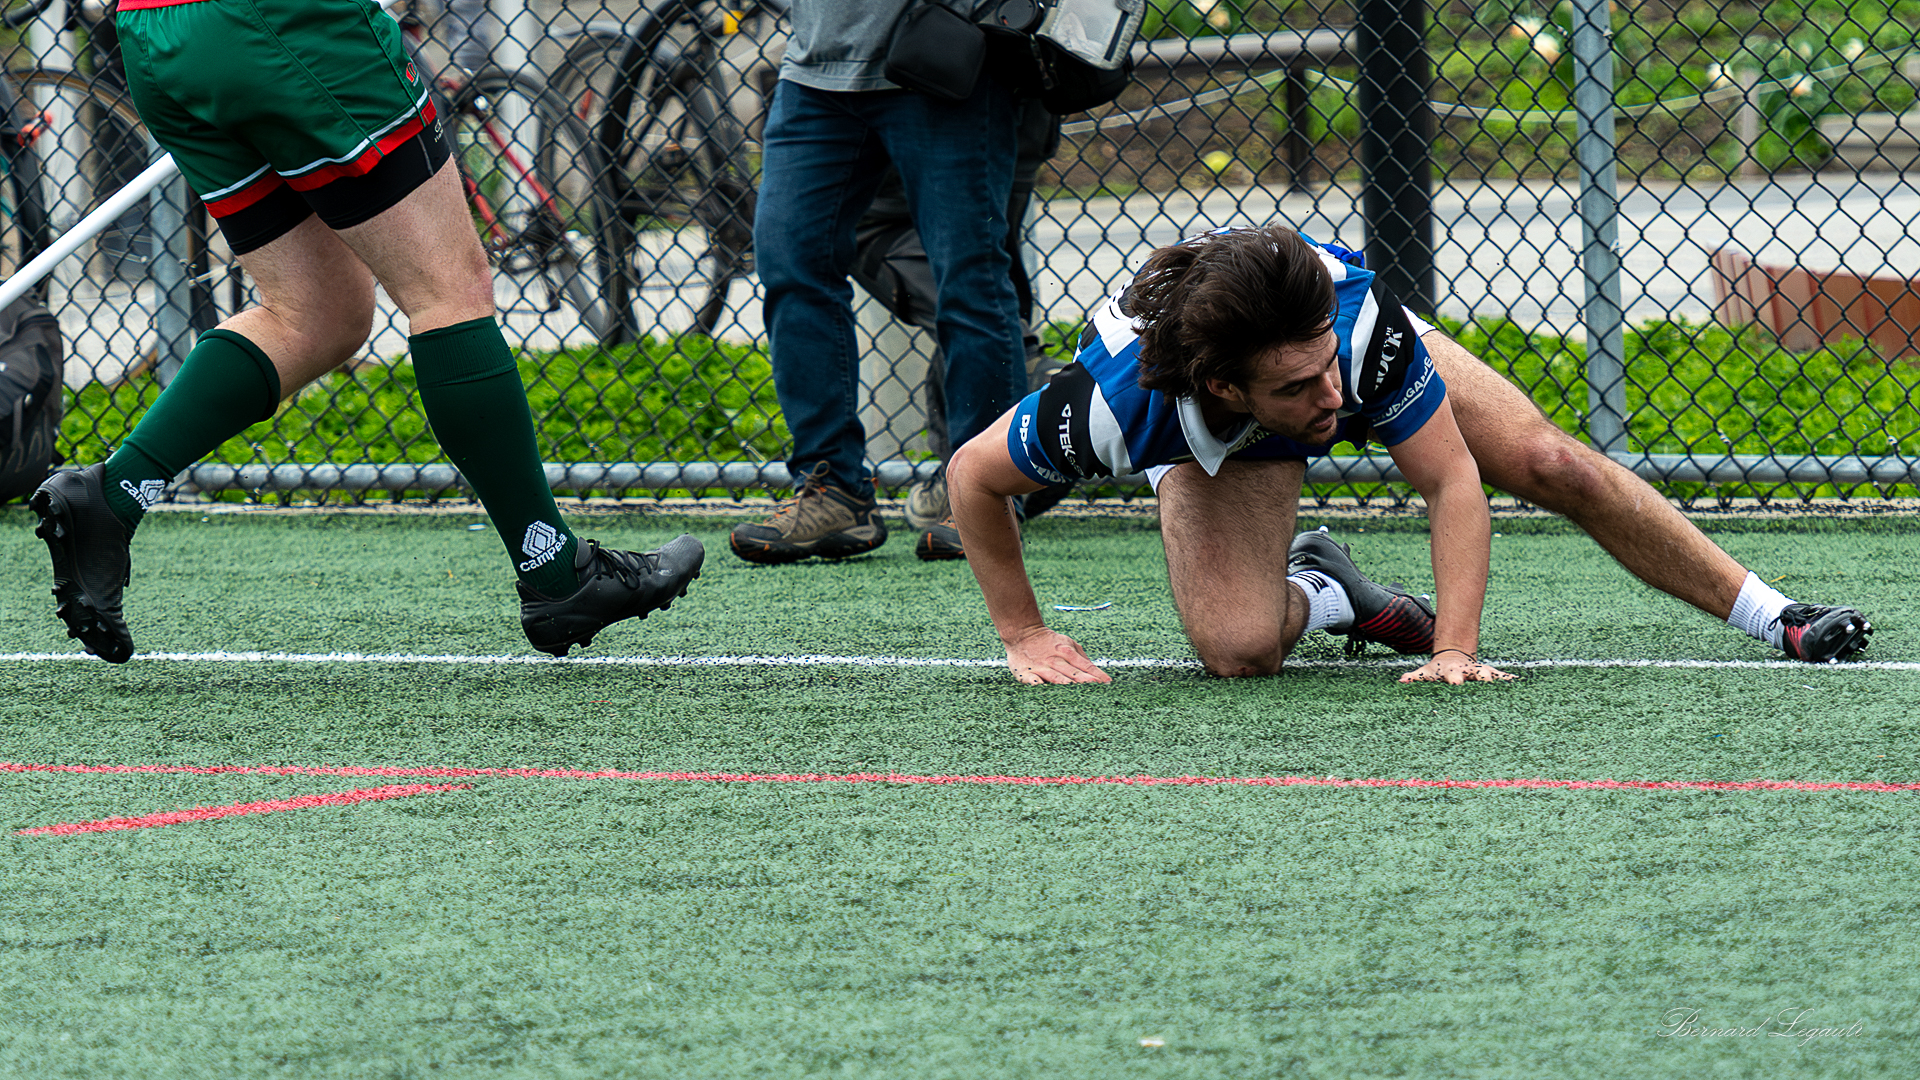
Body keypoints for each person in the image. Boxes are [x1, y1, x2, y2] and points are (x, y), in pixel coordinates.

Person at [28, 0, 703, 664]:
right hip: (282, 23)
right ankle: (556, 569)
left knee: (316, 313)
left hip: (157, 34)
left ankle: (114, 497)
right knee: (449, 288)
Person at [946, 225, 1875, 685]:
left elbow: (1450, 477)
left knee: (1558, 465)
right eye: (1299, 389)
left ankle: (1775, 615)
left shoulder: (1354, 337)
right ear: (1228, 390)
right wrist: (1025, 633)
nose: (1335, 404)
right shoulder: (1115, 408)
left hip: (1328, 340)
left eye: (1327, 373)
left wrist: (1456, 651)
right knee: (1236, 651)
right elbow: (971, 480)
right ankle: (1333, 590)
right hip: (1216, 438)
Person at [727, 0, 1029, 566]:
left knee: (970, 280)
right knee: (791, 265)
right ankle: (834, 488)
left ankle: (985, 495)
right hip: (815, 69)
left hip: (942, 50)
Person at [847, 98, 1071, 546]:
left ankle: (1039, 414)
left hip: (950, 82)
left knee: (971, 282)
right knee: (981, 274)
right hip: (1006, 76)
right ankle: (991, 452)